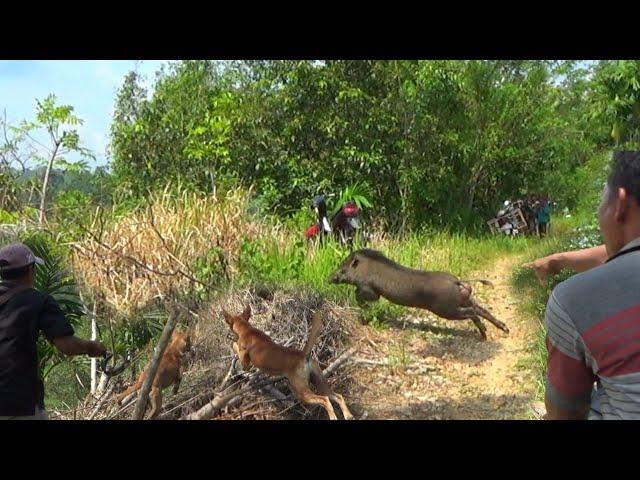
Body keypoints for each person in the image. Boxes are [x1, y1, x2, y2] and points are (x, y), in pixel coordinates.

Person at [533, 151, 640, 420]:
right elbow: (622, 255)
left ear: (620, 204)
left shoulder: (572, 300)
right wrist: (560, 259)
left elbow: (564, 413)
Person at [0, 243, 106, 420]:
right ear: (31, 270)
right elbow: (67, 345)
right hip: (18, 404)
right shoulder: (39, 301)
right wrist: (91, 347)